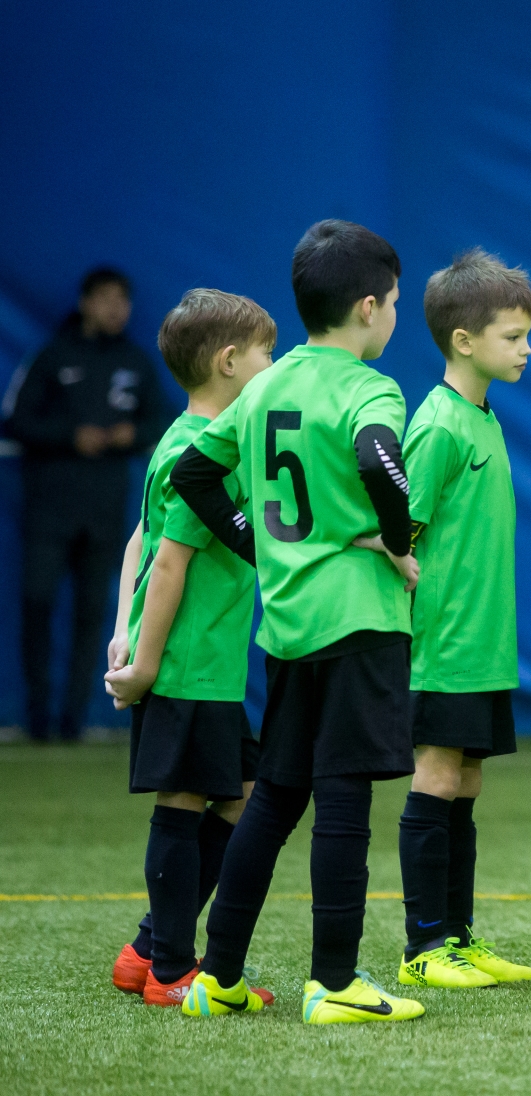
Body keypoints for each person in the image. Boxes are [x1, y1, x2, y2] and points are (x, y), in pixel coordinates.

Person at [170, 220, 424, 1023]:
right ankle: (336, 982)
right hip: (356, 617)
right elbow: (380, 456)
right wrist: (396, 535)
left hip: (286, 623)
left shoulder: (266, 386)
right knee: (343, 799)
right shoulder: (368, 388)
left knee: (277, 796)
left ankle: (217, 978)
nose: (393, 317)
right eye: (392, 304)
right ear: (368, 306)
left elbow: (192, 472)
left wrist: (260, 546)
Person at [101, 289, 277, 1006]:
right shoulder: (197, 449)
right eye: (266, 354)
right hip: (185, 664)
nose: (273, 367)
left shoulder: (184, 440)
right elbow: (166, 560)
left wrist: (122, 625)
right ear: (230, 363)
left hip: (204, 664)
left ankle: (146, 948)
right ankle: (170, 970)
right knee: (180, 802)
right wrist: (142, 659)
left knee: (241, 794)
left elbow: (138, 541)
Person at [387, 249, 531, 988]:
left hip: (484, 648)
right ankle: (423, 950)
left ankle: (457, 936)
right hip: (440, 647)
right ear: (463, 341)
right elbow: (397, 538)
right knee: (437, 776)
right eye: (513, 336)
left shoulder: (485, 419)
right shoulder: (438, 425)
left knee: (468, 780)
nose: (527, 349)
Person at [4, 267, 169, 742]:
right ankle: (37, 717)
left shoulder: (136, 362)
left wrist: (128, 435)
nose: (115, 309)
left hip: (105, 511)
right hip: (49, 508)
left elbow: (159, 422)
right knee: (37, 604)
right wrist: (71, 437)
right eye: (105, 298)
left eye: (123, 299)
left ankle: (74, 719)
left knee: (93, 613)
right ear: (85, 301)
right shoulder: (53, 356)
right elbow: (16, 421)